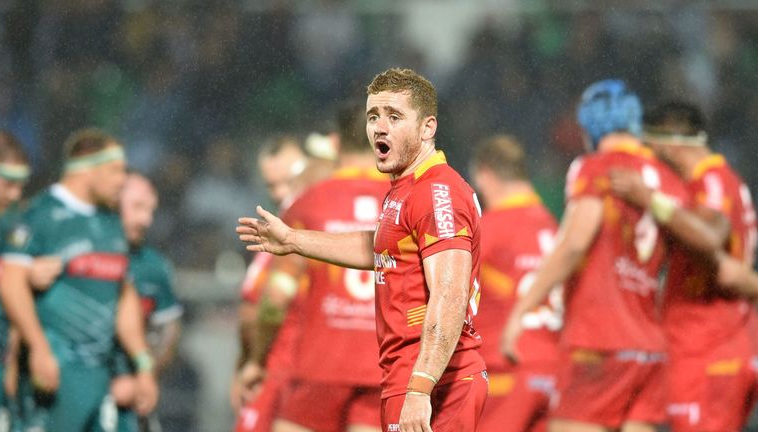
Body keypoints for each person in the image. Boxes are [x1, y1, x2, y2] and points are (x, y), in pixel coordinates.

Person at [238, 68, 487, 432]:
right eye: (374, 116)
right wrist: (293, 240)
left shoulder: (438, 193)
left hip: (436, 382)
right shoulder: (405, 188)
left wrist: (421, 385)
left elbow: (450, 295)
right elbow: (377, 248)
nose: (380, 127)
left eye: (394, 116)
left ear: (427, 128)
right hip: (403, 376)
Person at [502, 79, 688, 432]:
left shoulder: (594, 167)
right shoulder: (669, 181)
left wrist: (523, 308)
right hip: (648, 348)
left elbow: (574, 244)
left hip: (598, 342)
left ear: (589, 127)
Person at [609, 101, 758, 431]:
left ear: (669, 145)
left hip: (707, 348)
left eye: (651, 148)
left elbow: (713, 243)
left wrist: (649, 199)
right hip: (731, 345)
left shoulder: (712, 182)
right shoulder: (729, 182)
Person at [0, 128, 158, 431]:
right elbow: (11, 284)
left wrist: (143, 364)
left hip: (101, 377)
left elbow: (122, 294)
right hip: (54, 371)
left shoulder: (112, 223)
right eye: (115, 170)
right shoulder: (39, 215)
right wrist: (39, 348)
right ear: (86, 169)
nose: (122, 179)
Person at [249, 100, 389, 432]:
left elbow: (276, 298)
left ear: (337, 143)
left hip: (320, 366)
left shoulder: (311, 202)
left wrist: (257, 358)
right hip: (383, 367)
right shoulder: (404, 201)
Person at [469, 135, 560, 432]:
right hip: (553, 369)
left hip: (506, 366)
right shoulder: (555, 227)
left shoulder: (489, 229)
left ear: (485, 175)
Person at [232, 135, 312, 432]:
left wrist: (251, 362)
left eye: (287, 182)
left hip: (288, 375)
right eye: (271, 185)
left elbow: (265, 305)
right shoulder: (279, 235)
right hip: (274, 372)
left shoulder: (308, 236)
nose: (280, 193)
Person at [111, 172, 183, 432]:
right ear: (113, 200)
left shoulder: (154, 266)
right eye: (137, 207)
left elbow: (169, 330)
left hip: (132, 400)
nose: (146, 220)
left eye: (151, 210)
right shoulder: (81, 251)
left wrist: (145, 376)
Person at [0, 129, 31, 429]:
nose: (16, 194)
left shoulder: (6, 226)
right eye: (8, 184)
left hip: (0, 362)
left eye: (21, 186)